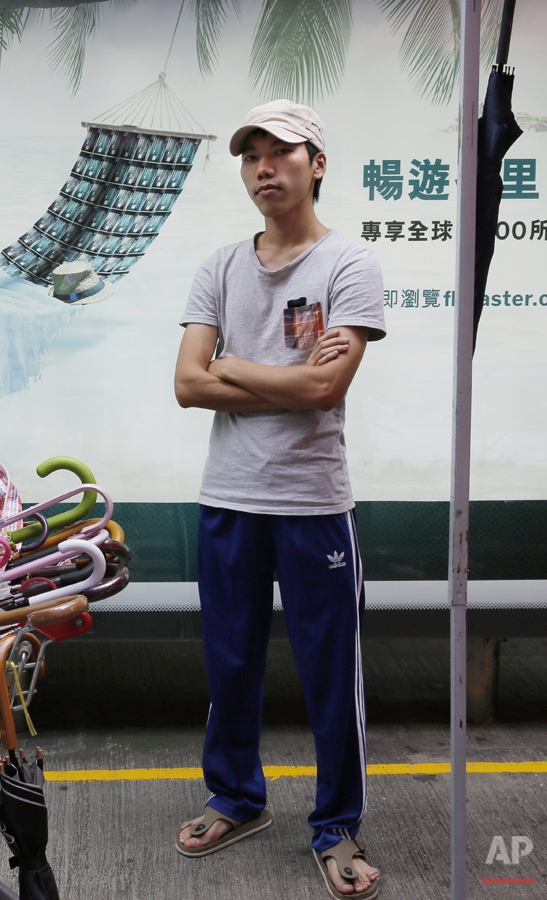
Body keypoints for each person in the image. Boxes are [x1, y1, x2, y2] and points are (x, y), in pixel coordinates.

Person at [173, 99, 386, 900]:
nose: (265, 166)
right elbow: (189, 384)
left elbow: (328, 387)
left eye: (282, 152)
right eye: (251, 154)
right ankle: (236, 797)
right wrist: (285, 384)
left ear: (317, 164)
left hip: (314, 503)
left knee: (332, 674)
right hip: (228, 498)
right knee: (229, 664)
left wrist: (236, 367)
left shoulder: (349, 266)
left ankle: (336, 827)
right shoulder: (220, 266)